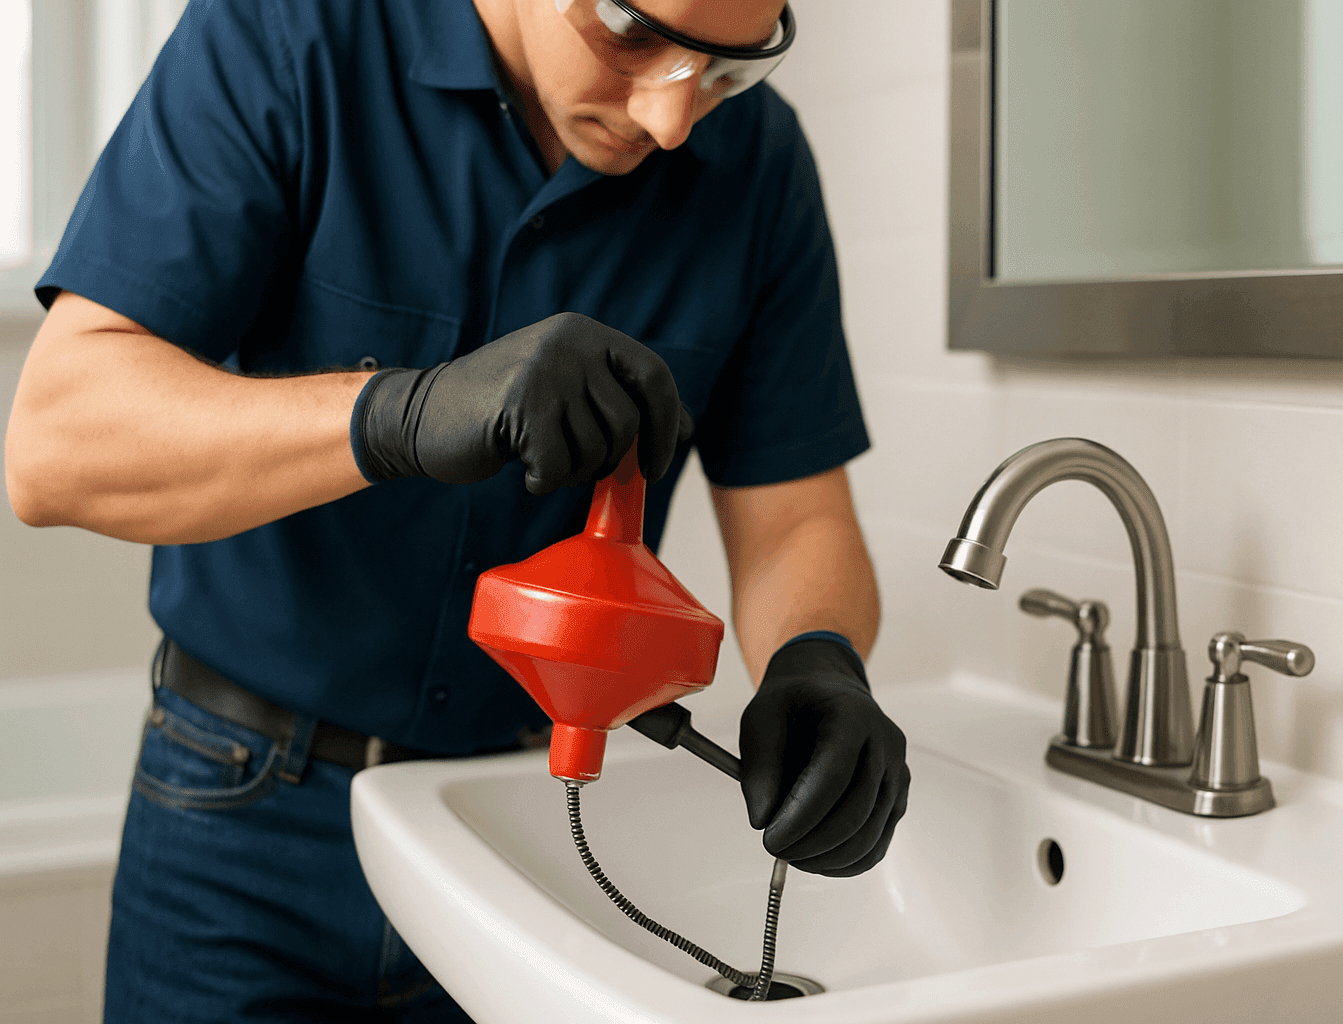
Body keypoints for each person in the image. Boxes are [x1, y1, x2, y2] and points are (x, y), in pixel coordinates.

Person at [4, 0, 910, 1019]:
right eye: (631, 37)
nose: (669, 117)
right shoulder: (287, 33)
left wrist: (818, 657)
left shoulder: (759, 164)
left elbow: (796, 518)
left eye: (729, 70)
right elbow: (53, 446)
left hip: (517, 828)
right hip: (241, 819)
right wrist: (396, 412)